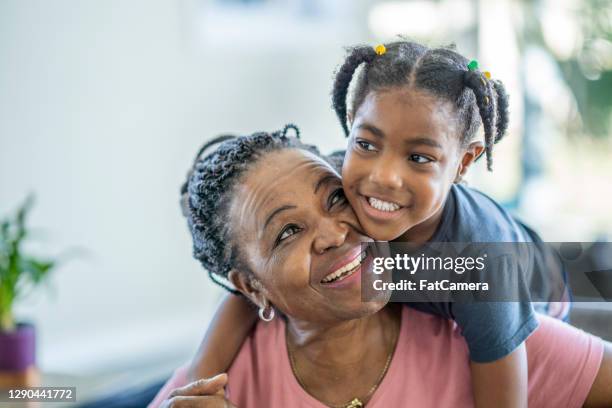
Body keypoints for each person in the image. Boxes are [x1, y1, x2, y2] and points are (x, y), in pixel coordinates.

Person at [188, 41, 570, 407]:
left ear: (464, 163)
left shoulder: (479, 268)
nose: (384, 176)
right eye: (367, 145)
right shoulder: (333, 183)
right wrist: (197, 385)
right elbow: (249, 287)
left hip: (545, 292)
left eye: (419, 157)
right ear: (352, 126)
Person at [149, 130, 611, 408]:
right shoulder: (218, 383)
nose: (333, 232)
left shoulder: (469, 303)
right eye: (287, 231)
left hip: (541, 270)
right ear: (251, 289)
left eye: (334, 198)